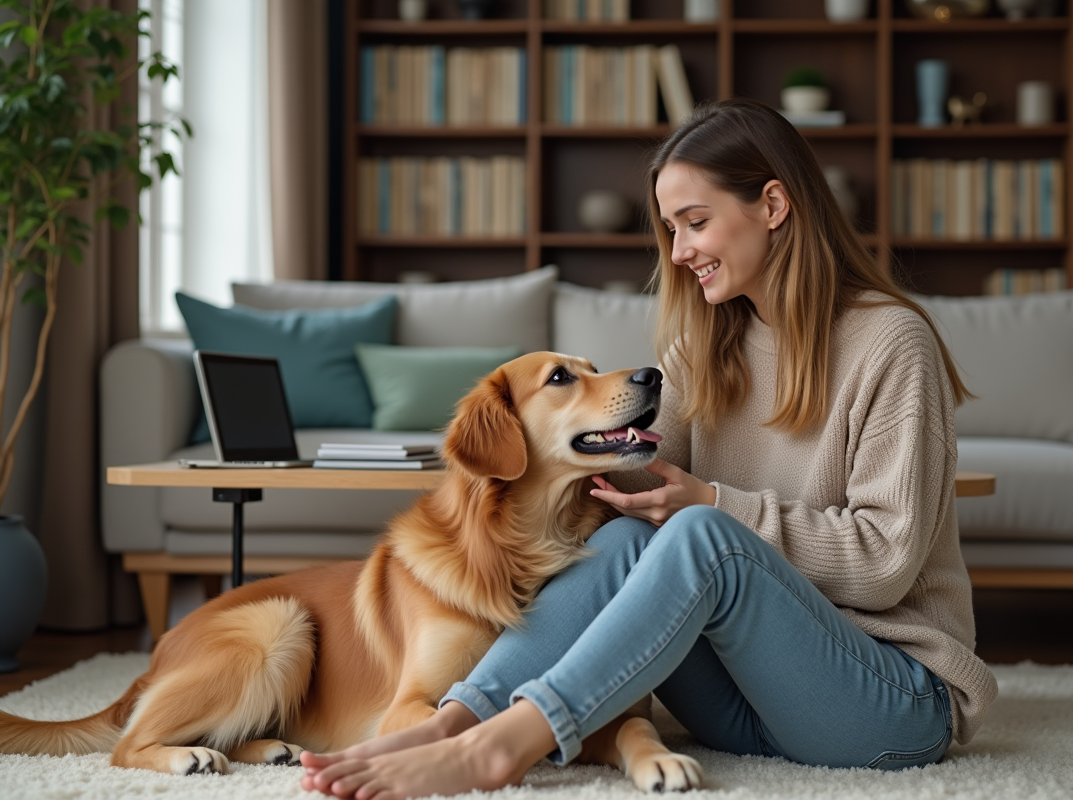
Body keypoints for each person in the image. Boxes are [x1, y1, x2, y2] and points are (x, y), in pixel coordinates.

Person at [300, 97, 998, 800]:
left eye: (695, 222)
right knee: (630, 538)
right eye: (670, 229)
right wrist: (541, 459)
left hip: (886, 704)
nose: (679, 250)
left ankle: (502, 749)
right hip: (745, 705)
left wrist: (716, 505)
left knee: (701, 532)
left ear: (774, 205)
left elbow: (883, 564)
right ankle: (450, 722)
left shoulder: (890, 343)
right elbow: (643, 493)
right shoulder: (705, 346)